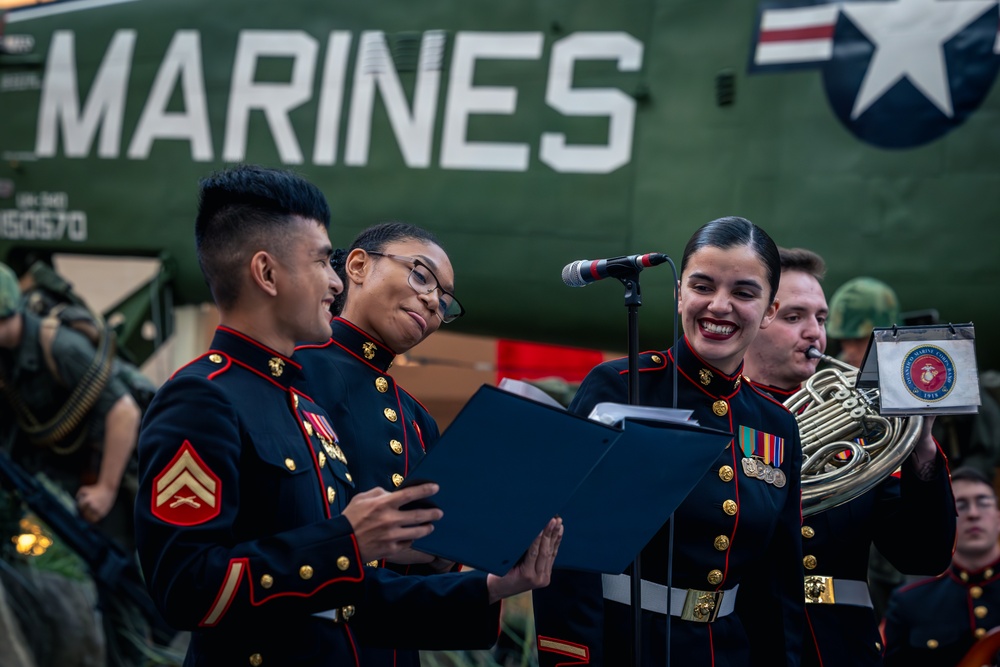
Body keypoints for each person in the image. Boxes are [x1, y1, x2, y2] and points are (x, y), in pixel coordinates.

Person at [133, 163, 563, 666]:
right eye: (321, 262)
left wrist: (490, 583)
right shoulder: (203, 397)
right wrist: (350, 540)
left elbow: (359, 590)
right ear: (267, 273)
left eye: (445, 301)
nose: (332, 281)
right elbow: (185, 586)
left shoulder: (304, 407)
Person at [533, 216, 804, 666]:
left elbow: (778, 582)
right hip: (628, 646)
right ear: (679, 294)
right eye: (702, 286)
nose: (720, 306)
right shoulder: (620, 386)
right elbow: (564, 547)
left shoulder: (776, 424)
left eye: (743, 292)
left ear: (770, 310)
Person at [742, 247, 955, 666]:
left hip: (842, 645)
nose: (815, 334)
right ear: (753, 318)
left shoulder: (860, 425)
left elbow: (923, 555)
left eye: (820, 319)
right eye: (793, 317)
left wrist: (922, 446)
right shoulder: (722, 414)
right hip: (750, 638)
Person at [294, 222, 460, 665]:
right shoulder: (296, 369)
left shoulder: (418, 418)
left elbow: (422, 562)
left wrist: (447, 554)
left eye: (444, 301)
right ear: (359, 266)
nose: (432, 300)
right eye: (421, 275)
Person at [0, 261, 142, 543]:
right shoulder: (7, 355)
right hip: (55, 474)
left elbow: (124, 412)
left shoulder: (60, 346)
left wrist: (105, 489)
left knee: (112, 560)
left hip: (104, 468)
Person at [882, 466, 1000, 667]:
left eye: (983, 503)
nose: (973, 514)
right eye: (960, 505)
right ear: (945, 516)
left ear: (998, 516)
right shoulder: (909, 602)